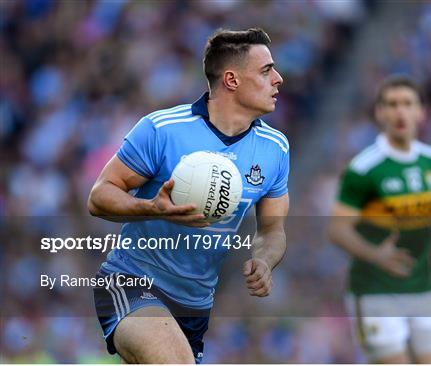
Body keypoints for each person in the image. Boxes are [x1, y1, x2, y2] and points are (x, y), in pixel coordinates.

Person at [87, 28, 288, 364]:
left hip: (194, 307)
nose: (279, 79)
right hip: (131, 281)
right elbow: (99, 197)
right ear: (231, 80)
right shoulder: (162, 129)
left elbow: (273, 230)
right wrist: (153, 209)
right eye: (266, 71)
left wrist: (265, 261)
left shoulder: (275, 149)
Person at [329, 75, 431, 363]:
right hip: (375, 292)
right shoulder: (364, 168)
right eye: (392, 104)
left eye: (407, 104)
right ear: (380, 113)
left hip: (422, 288)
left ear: (421, 112)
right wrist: (375, 254)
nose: (400, 112)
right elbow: (337, 229)